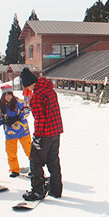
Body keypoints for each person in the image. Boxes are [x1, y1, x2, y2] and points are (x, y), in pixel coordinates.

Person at [20, 67, 64, 201]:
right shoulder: (50, 90)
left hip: (44, 134)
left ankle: (38, 191)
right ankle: (56, 190)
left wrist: (37, 137)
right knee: (53, 161)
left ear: (30, 84)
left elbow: (40, 118)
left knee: (35, 161)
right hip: (55, 131)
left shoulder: (37, 96)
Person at [0, 84, 32, 177]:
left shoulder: (19, 102)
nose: (8, 97)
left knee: (30, 151)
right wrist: (3, 121)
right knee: (11, 153)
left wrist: (20, 116)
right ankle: (14, 170)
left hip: (23, 131)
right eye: (6, 95)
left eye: (10, 94)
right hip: (10, 134)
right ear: (3, 96)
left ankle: (35, 168)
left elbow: (27, 111)